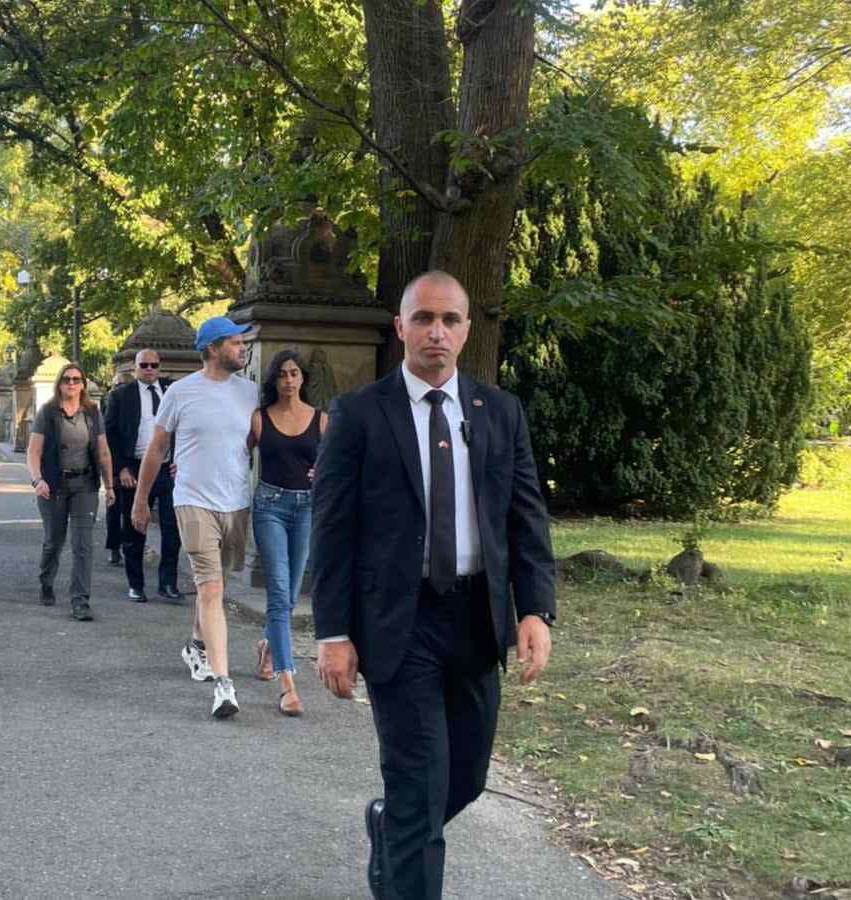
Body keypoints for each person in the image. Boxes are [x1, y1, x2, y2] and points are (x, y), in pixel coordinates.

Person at [311, 271, 556, 900]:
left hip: (476, 620)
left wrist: (535, 610)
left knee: (466, 778)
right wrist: (333, 632)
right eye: (423, 318)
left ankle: (390, 828)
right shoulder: (360, 414)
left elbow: (525, 517)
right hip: (399, 622)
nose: (436, 332)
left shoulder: (499, 412)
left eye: (449, 320)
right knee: (419, 786)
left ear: (467, 330)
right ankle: (406, 843)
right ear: (401, 328)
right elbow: (333, 529)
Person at [132, 317, 257, 718]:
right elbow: (156, 450)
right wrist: (141, 500)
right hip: (192, 500)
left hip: (235, 502)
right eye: (236, 343)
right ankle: (224, 685)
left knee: (215, 589)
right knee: (211, 588)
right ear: (213, 348)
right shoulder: (181, 392)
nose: (243, 348)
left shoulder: (251, 392)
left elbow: (256, 443)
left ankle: (195, 645)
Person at [248, 349, 326, 717]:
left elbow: (339, 463)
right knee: (279, 593)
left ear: (303, 378)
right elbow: (233, 455)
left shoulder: (321, 420)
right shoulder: (260, 419)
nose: (289, 380)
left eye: (295, 373)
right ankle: (288, 683)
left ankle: (267, 645)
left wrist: (322, 473)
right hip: (270, 507)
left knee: (292, 593)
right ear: (273, 381)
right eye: (282, 374)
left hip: (307, 508)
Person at [26, 363, 115, 622]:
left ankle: (80, 601)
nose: (72, 383)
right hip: (53, 485)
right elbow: (33, 452)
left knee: (82, 544)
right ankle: (46, 582)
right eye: (67, 379)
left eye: (77, 379)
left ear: (83, 384)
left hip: (84, 485)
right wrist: (37, 480)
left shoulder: (92, 413)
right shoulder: (48, 413)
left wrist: (109, 486)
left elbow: (103, 451)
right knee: (54, 541)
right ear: (59, 383)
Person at [104, 349, 182, 604]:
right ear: (135, 367)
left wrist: (180, 458)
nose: (149, 369)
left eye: (154, 365)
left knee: (173, 528)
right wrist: (121, 469)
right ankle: (136, 584)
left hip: (168, 469)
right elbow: (109, 435)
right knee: (135, 527)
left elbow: (187, 427)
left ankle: (168, 583)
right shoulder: (121, 396)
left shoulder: (173, 391)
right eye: (144, 365)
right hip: (134, 470)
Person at [101, 371, 133, 567]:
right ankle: (114, 547)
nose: (116, 388)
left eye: (121, 385)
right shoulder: (108, 404)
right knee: (113, 508)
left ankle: (130, 546)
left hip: (134, 462)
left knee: (130, 508)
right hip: (113, 463)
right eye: (114, 385)